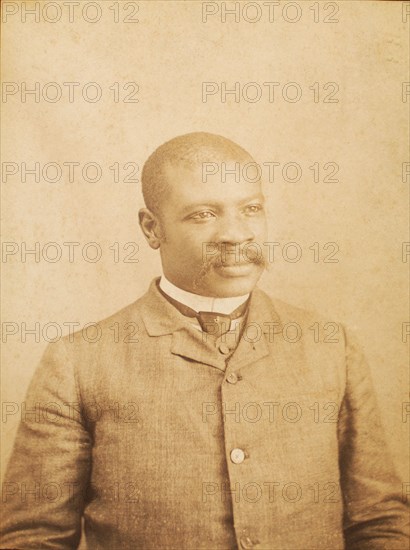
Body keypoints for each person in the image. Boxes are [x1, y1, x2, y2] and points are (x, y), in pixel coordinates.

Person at [1, 132, 408, 549]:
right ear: (151, 228)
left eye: (251, 209)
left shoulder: (330, 346)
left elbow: (379, 522)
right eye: (203, 215)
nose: (235, 235)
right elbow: (34, 538)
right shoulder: (78, 362)